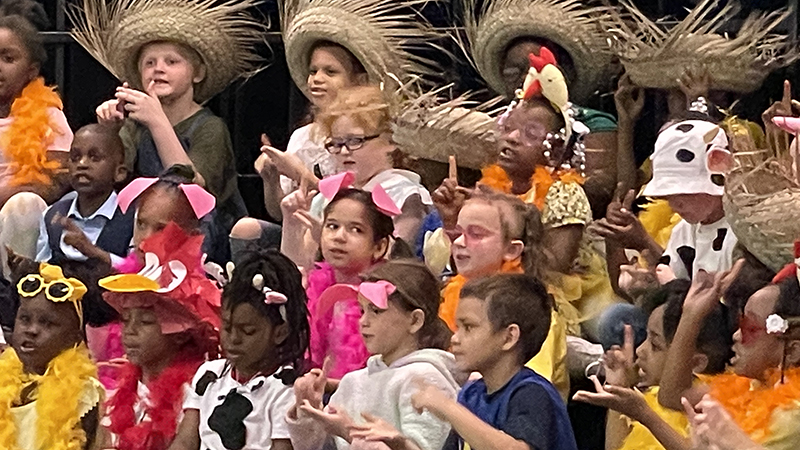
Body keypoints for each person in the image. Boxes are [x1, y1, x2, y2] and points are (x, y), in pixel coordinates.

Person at [72, 0, 263, 261]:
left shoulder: (210, 127)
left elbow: (194, 192)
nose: (158, 69)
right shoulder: (135, 124)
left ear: (198, 73)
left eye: (171, 62)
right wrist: (110, 133)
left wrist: (157, 122)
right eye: (149, 63)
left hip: (199, 232)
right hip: (145, 222)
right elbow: (116, 177)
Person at [465, 47, 617, 338]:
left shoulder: (565, 192)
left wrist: (509, 225)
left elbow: (553, 267)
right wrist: (452, 222)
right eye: (508, 128)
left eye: (530, 134)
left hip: (548, 294)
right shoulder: (490, 189)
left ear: (557, 152)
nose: (511, 138)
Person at [462, 0, 623, 213]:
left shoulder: (590, 122)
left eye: (534, 68)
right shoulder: (503, 120)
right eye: (512, 72)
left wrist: (546, 195)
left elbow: (601, 190)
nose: (524, 77)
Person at [287, 260, 458, 450]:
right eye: (362, 310)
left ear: (415, 320)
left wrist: (348, 433)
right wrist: (308, 411)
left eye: (376, 311)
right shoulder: (352, 381)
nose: (363, 321)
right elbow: (316, 447)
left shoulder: (426, 379)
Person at [411, 274, 578, 450]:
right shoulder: (471, 395)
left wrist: (447, 407)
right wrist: (400, 443)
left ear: (509, 337)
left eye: (468, 327)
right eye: (457, 328)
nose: (455, 338)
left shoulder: (532, 394)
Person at [434, 188, 572, 399]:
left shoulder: (532, 315)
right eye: (458, 232)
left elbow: (526, 393)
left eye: (476, 234)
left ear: (512, 250)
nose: (460, 242)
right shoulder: (449, 294)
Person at [169, 249, 309, 450]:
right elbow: (184, 443)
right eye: (226, 327)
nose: (233, 339)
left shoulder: (285, 390)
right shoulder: (209, 374)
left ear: (280, 332)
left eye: (248, 331)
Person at [98, 222, 221, 449]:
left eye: (146, 322)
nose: (130, 330)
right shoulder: (119, 390)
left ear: (181, 334)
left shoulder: (190, 396)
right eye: (125, 320)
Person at [574, 279, 733, 450]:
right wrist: (620, 387)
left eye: (655, 345)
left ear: (696, 363)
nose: (640, 350)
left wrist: (644, 415)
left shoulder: (712, 411)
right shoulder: (652, 396)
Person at [658, 262, 800, 449]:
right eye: (739, 323)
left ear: (792, 351)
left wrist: (733, 441)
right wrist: (691, 315)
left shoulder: (792, 415)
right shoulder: (749, 386)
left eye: (750, 327)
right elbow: (674, 396)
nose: (736, 335)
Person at [284, 181, 411, 379]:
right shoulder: (313, 284)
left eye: (356, 230)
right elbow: (288, 275)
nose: (339, 237)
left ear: (379, 247)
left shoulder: (385, 300)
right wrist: (290, 223)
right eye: (332, 226)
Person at [0, 263, 103, 449]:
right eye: (24, 319)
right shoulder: (3, 377)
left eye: (47, 323)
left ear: (74, 337)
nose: (31, 330)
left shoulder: (83, 393)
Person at [0, 0, 73, 206]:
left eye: (8, 58)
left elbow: (55, 181)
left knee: (26, 203)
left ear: (31, 70)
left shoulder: (49, 115)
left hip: (18, 218)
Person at [35, 123, 132, 266]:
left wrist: (94, 252)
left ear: (119, 172)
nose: (82, 164)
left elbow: (141, 272)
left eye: (94, 158)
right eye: (75, 158)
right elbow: (43, 267)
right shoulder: (52, 215)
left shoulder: (132, 218)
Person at [114, 165, 216, 270]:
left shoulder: (201, 286)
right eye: (141, 224)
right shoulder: (120, 282)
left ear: (193, 236)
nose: (145, 238)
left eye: (161, 229)